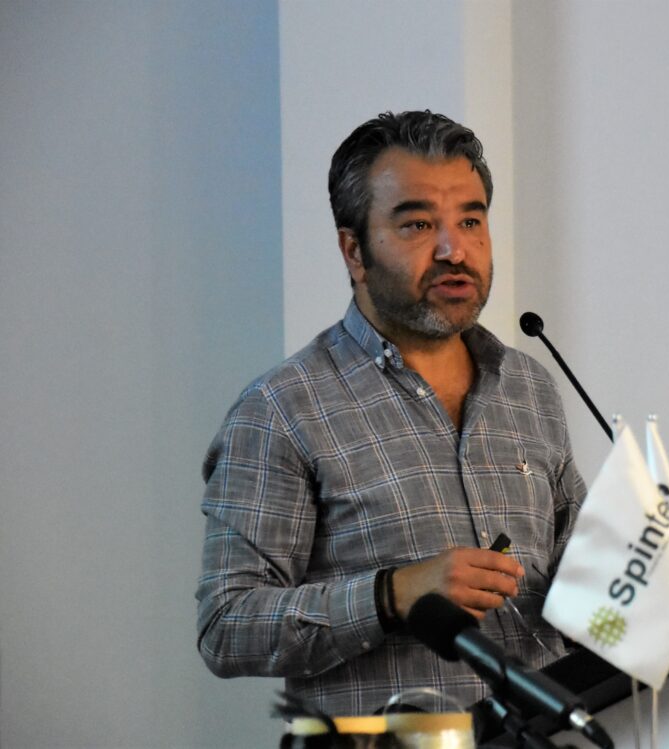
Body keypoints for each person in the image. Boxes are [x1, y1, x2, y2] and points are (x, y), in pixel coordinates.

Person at [196, 111, 586, 716]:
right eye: (418, 224)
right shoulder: (281, 408)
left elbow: (574, 585)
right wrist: (394, 594)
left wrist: (634, 572)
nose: (454, 249)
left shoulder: (528, 388)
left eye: (471, 220)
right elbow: (227, 625)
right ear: (354, 251)